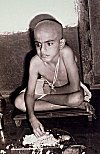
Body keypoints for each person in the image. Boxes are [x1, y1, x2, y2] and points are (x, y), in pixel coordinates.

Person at [14, 14, 93, 137]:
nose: (42, 50)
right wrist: (32, 118)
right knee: (19, 102)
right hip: (48, 88)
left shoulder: (66, 53)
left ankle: (72, 102)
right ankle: (71, 105)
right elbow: (29, 93)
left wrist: (47, 93)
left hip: (65, 90)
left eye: (49, 44)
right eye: (38, 44)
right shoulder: (35, 61)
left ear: (61, 43)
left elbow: (74, 88)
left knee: (77, 97)